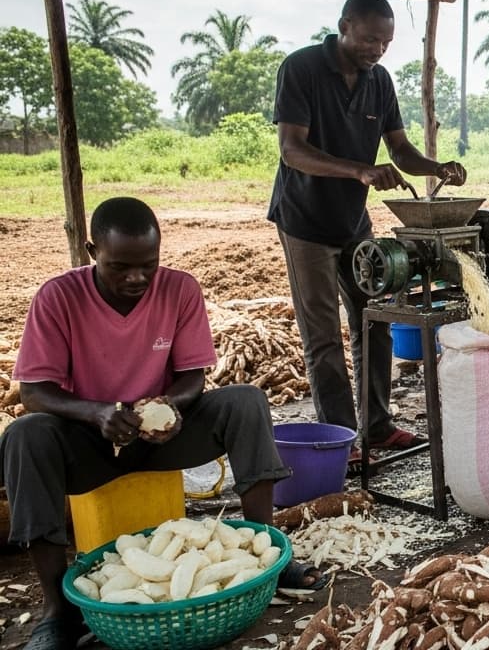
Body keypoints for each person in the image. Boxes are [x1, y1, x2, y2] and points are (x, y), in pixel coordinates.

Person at [2, 198, 327, 650]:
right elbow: (35, 393)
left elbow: (194, 374)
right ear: (92, 250)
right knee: (23, 434)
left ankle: (265, 554)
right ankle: (59, 609)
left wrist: (170, 406)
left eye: (148, 266)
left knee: (246, 401)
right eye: (120, 267)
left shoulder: (179, 289)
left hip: (163, 439)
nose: (137, 278)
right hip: (91, 442)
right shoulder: (58, 298)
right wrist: (98, 413)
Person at [269, 0, 466, 460]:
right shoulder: (301, 69)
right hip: (304, 221)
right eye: (370, 38)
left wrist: (436, 168)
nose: (377, 49)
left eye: (386, 42)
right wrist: (358, 170)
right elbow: (291, 150)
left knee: (375, 320)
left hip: (352, 223)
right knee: (323, 337)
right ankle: (341, 438)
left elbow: (398, 150)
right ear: (344, 25)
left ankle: (376, 425)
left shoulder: (379, 82)